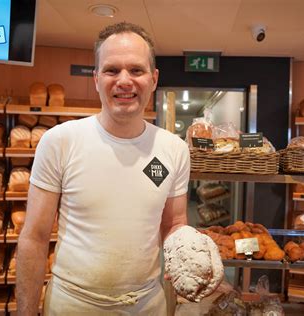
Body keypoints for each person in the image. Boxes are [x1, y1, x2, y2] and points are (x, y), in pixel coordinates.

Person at [16, 22, 191, 315]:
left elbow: (174, 225)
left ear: (154, 78)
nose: (124, 81)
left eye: (136, 70)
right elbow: (34, 236)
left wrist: (196, 264)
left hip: (147, 305)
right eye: (111, 70)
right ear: (96, 78)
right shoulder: (60, 141)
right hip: (71, 304)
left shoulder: (173, 149)